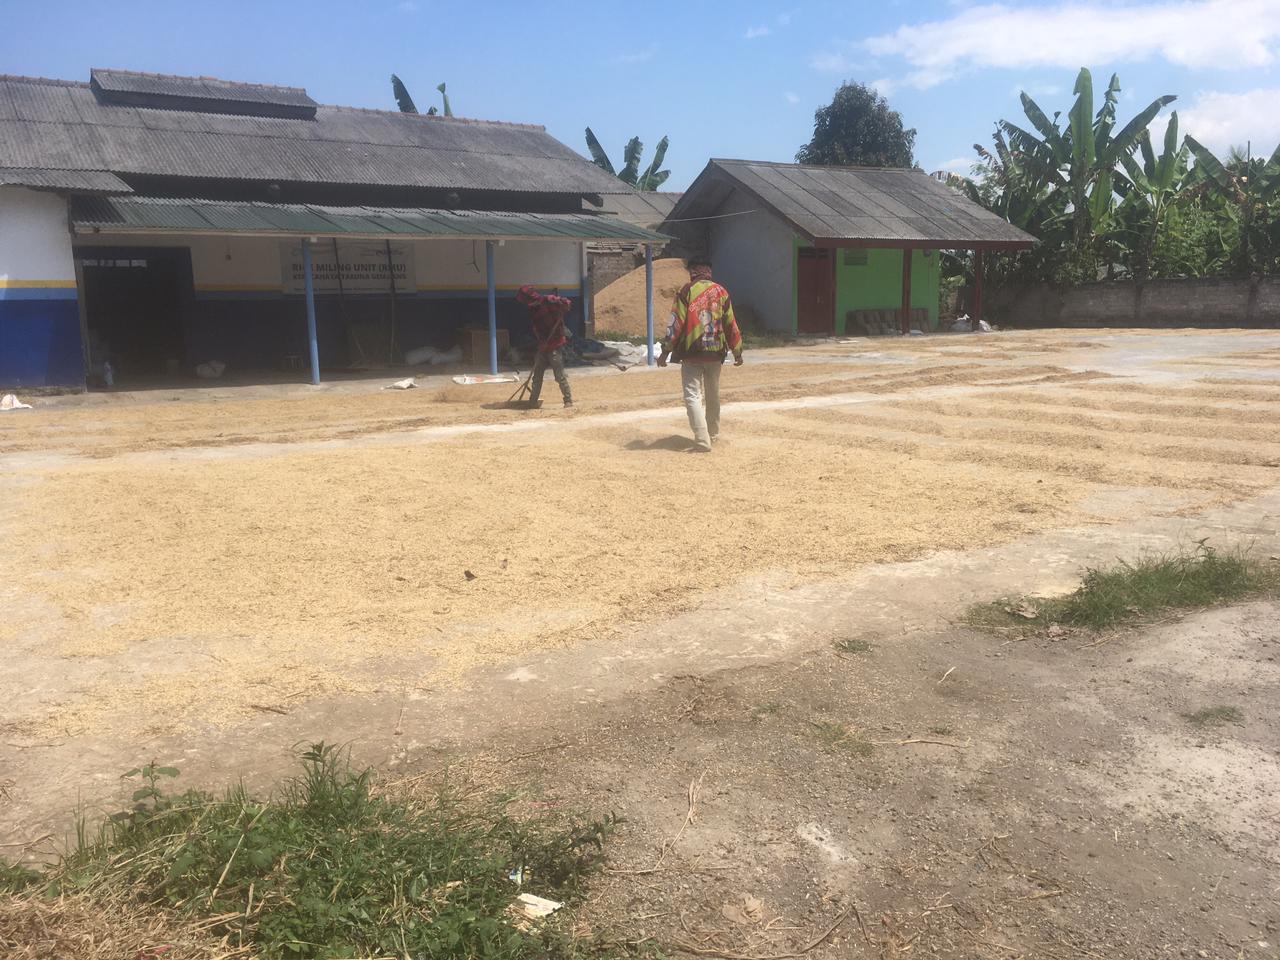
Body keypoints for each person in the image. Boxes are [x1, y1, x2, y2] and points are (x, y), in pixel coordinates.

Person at [657, 257, 743, 451]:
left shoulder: (686, 291)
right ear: (709, 272)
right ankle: (713, 435)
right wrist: (737, 351)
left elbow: (675, 324)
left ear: (693, 271)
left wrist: (665, 351)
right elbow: (731, 324)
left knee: (693, 396)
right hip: (716, 353)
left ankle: (702, 440)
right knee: (713, 394)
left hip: (692, 352)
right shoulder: (721, 291)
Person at [516, 284, 573, 408]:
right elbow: (537, 328)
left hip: (555, 344)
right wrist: (542, 342)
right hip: (543, 345)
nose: (525, 303)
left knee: (559, 376)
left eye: (525, 300)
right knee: (537, 377)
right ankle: (532, 402)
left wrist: (563, 308)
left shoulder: (548, 301)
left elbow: (567, 303)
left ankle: (568, 400)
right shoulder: (532, 309)